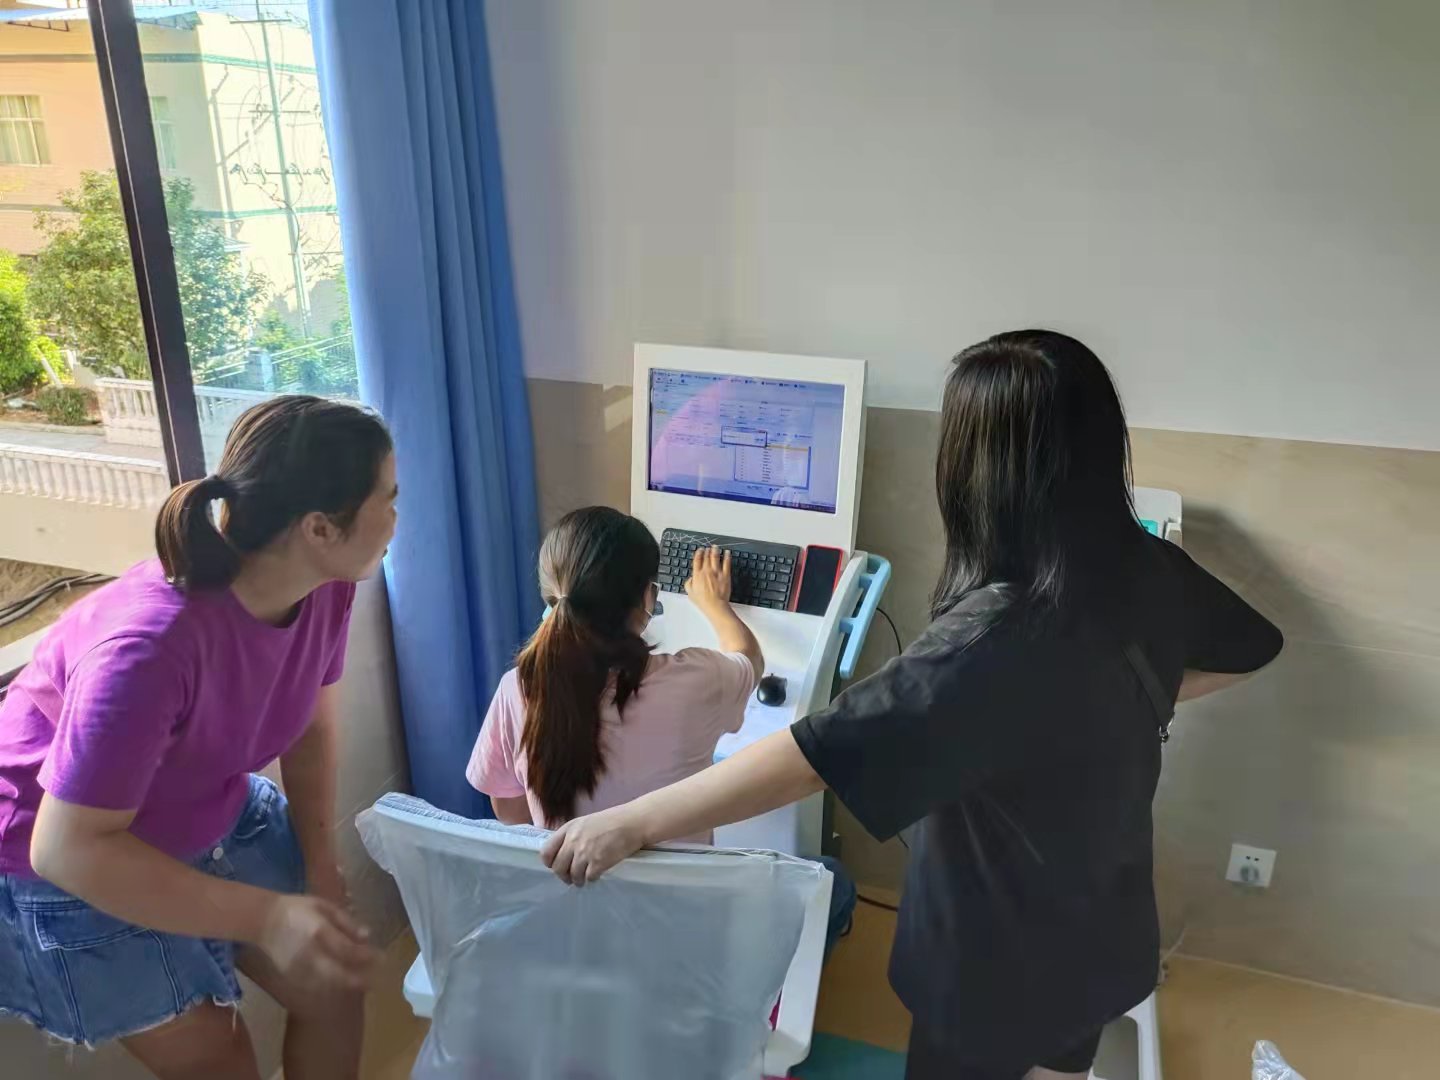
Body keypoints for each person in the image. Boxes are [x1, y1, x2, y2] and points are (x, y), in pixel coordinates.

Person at [539, 331, 1284, 1080]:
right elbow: (1253, 647)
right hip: (1099, 927)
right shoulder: (1149, 567)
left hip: (991, 963)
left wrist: (632, 822)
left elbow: (817, 753)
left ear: (979, 470)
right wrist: (1105, 705)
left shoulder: (991, 639)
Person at [0, 396, 397, 1080]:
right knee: (219, 1060)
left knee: (332, 987)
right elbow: (66, 847)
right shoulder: (149, 649)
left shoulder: (324, 583)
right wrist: (270, 917)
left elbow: (308, 725)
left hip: (202, 804)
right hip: (75, 854)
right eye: (388, 499)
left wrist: (319, 866)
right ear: (320, 528)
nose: (395, 516)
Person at [466, 505, 855, 949]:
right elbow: (750, 658)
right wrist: (715, 605)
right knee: (834, 878)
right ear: (647, 599)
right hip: (685, 933)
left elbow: (510, 812)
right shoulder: (696, 680)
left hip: (579, 929)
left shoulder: (517, 687)